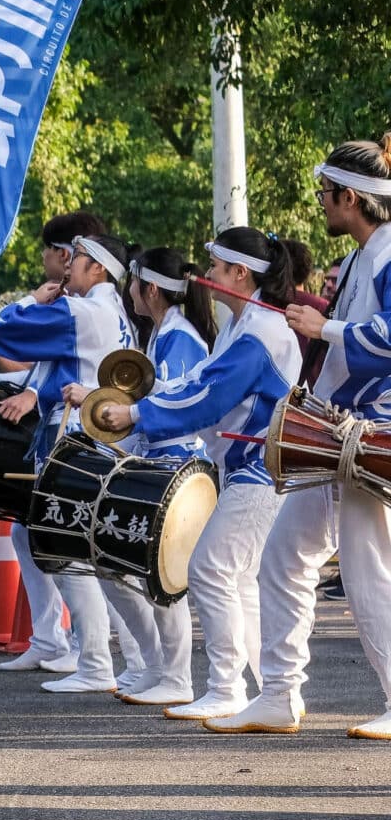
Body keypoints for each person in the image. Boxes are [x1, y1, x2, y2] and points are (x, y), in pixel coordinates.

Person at [207, 139, 391, 739]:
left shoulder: (388, 255)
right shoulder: (367, 256)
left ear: (351, 197)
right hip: (338, 433)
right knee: (284, 556)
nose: (320, 204)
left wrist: (326, 325)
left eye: (325, 195)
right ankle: (281, 695)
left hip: (372, 433)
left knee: (368, 573)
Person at [90, 229, 300, 719]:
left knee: (210, 570)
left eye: (216, 270)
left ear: (240, 274)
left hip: (259, 471)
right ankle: (269, 692)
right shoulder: (243, 327)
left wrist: (139, 414)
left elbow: (209, 394)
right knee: (238, 581)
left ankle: (231, 689)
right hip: (249, 469)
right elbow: (199, 384)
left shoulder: (262, 332)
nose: (207, 279)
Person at [0, 232, 143, 697]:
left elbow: (3, 329)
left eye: (74, 260)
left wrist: (32, 299)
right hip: (92, 435)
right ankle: (98, 653)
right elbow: (50, 372)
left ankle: (94, 660)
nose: (65, 267)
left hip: (76, 438)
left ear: (97, 268)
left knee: (69, 551)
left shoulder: (82, 310)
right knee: (53, 542)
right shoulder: (111, 313)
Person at [80, 244, 217, 705]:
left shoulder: (182, 340)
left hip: (177, 470)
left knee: (163, 578)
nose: (130, 293)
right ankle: (157, 666)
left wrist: (128, 416)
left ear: (151, 289)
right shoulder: (162, 334)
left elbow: (178, 405)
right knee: (114, 567)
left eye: (135, 284)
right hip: (155, 466)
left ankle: (177, 677)